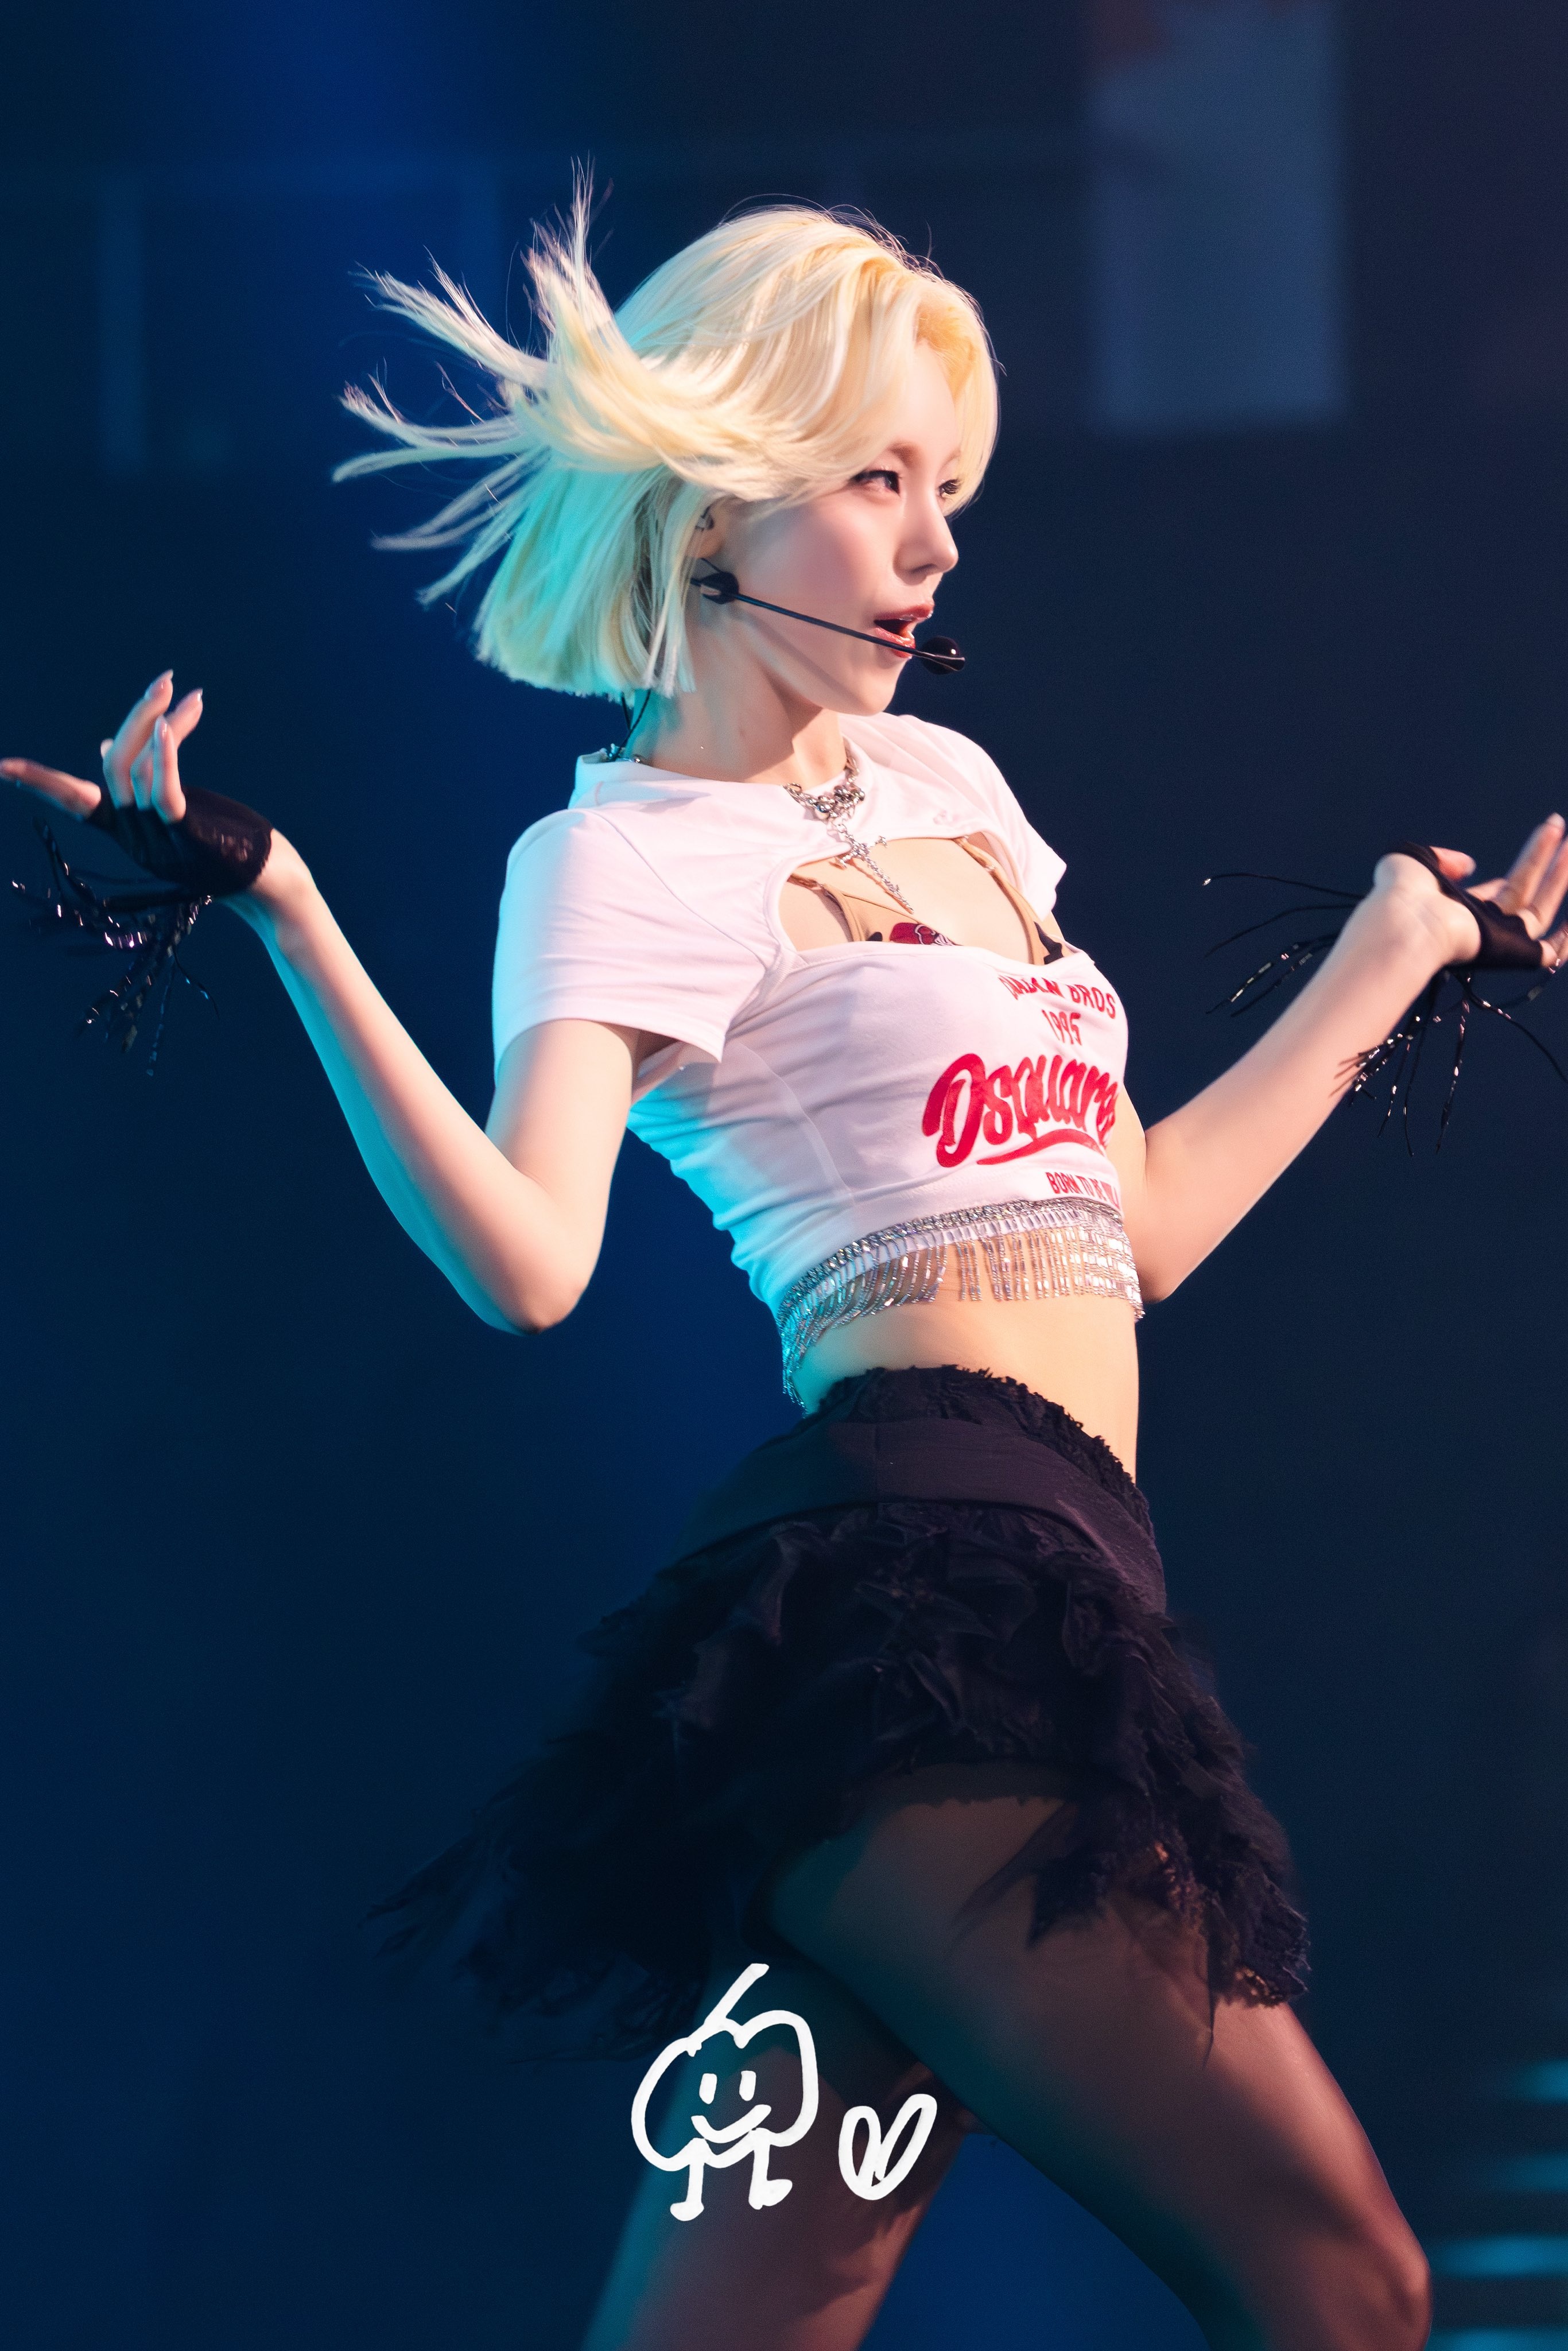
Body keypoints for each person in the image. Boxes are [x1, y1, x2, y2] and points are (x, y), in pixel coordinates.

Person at [7, 198, 1566, 2351]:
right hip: (913, 1629)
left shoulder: (956, 789)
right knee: (1345, 2282)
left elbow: (1133, 1227)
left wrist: (1385, 956)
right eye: (876, 480)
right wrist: (287, 908)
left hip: (1057, 1584)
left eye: (950, 491)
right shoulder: (621, 854)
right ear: (719, 494)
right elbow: (530, 1263)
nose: (933, 547)